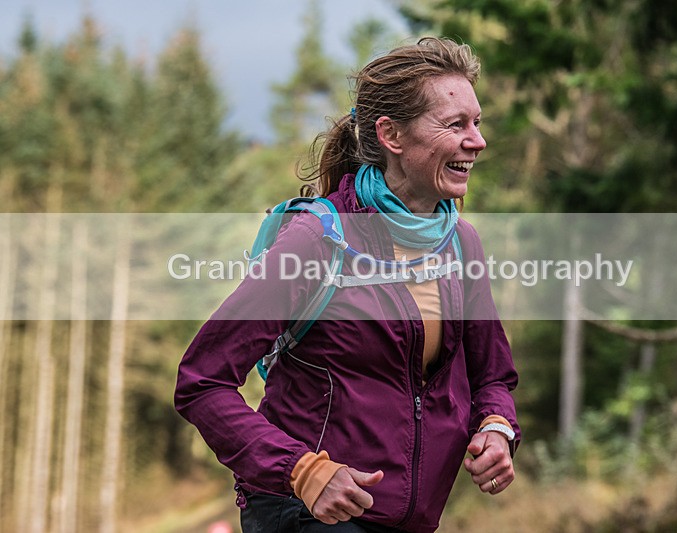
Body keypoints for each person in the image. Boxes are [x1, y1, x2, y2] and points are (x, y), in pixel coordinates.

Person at [175, 37, 520, 533]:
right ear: (391, 135)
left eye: (477, 122)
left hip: (409, 520)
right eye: (455, 124)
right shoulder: (318, 240)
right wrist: (303, 470)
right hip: (304, 514)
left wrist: (495, 426)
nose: (478, 140)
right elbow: (201, 381)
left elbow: (492, 377)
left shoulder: (461, 246)